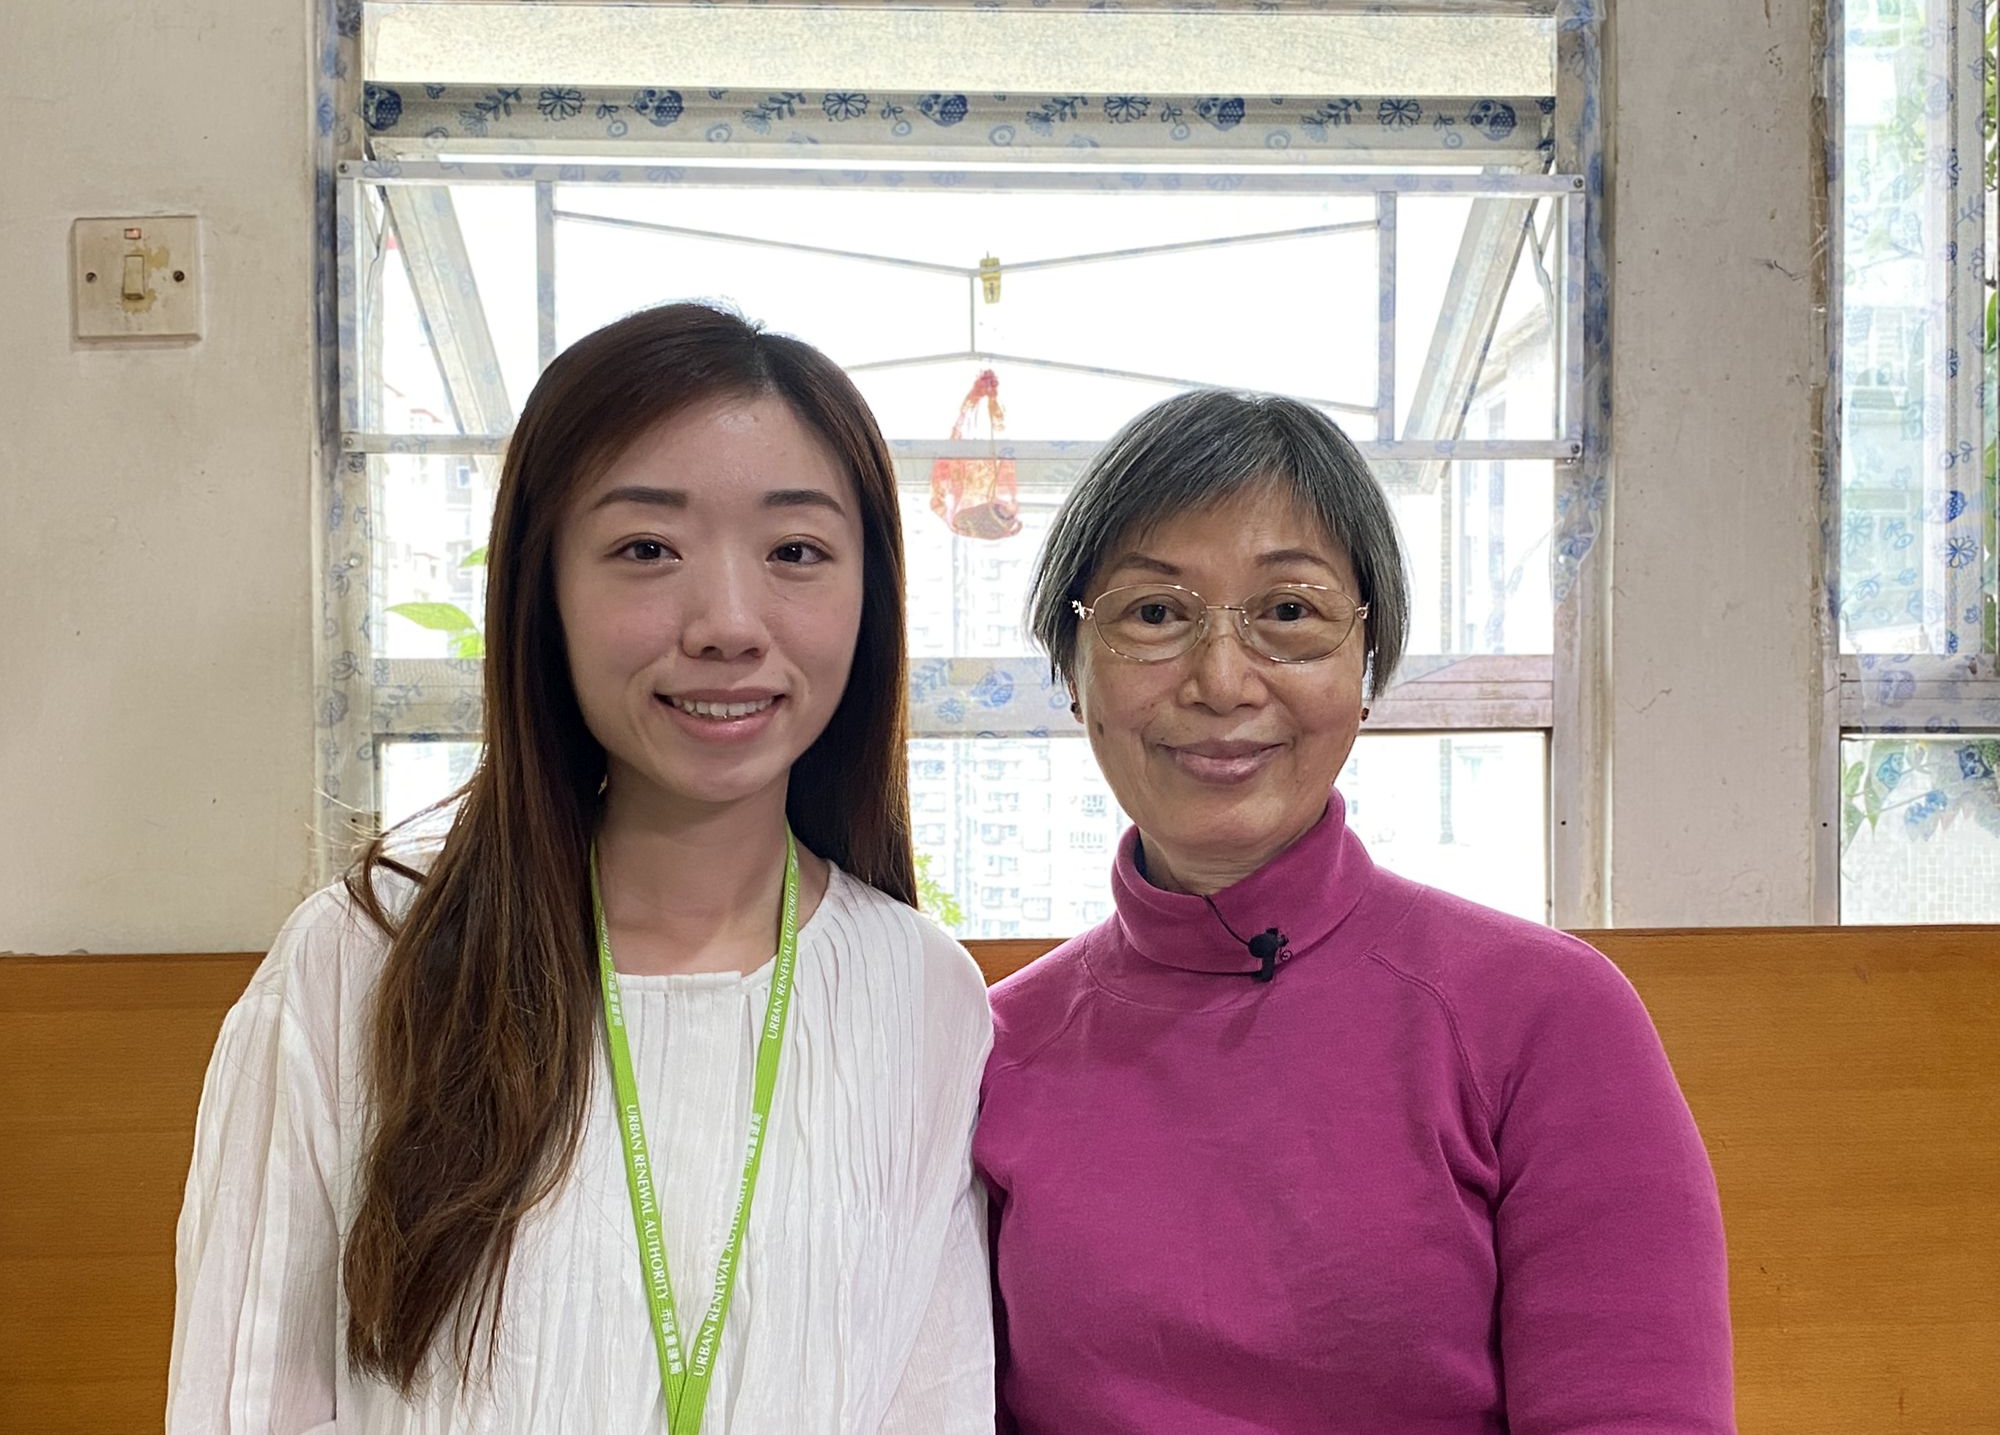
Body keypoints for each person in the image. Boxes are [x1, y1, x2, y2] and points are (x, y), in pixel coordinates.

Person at [169, 303, 994, 1435]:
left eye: (795, 550)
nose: (727, 622)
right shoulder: (363, 958)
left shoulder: (922, 993)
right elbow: (241, 1403)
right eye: (646, 548)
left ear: (871, 593)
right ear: (541, 588)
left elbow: (933, 1405)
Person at [976, 389, 1734, 1434]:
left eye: (1287, 613)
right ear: (1072, 667)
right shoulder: (992, 1047)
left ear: (1365, 666)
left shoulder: (1544, 1016)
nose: (1220, 678)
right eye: (1154, 614)